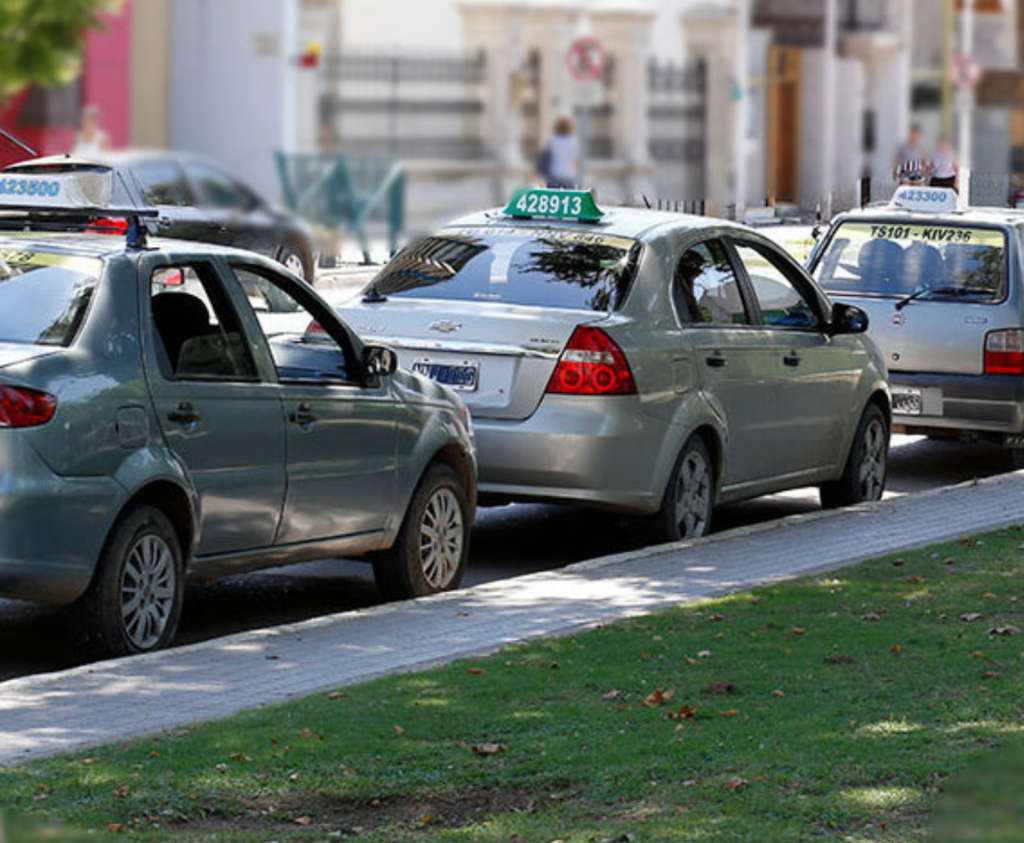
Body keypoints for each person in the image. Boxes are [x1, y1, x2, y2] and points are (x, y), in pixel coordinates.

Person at [537, 116, 579, 189]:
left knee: (552, 198)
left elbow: (545, 156)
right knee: (568, 198)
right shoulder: (573, 141)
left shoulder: (551, 140)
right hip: (568, 176)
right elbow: (575, 161)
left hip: (554, 175)